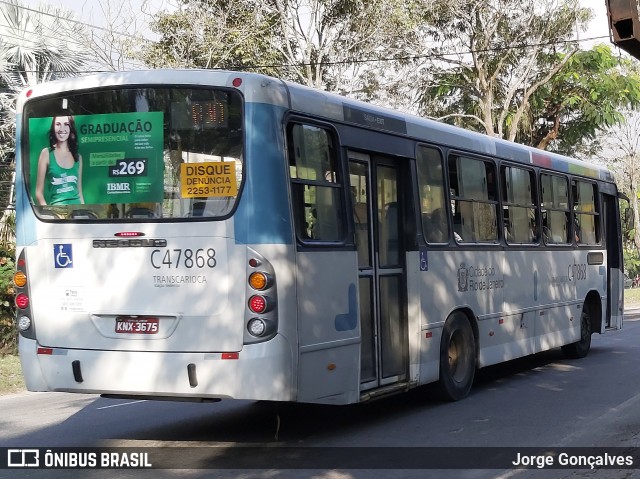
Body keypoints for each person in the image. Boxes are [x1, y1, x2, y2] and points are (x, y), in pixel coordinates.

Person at [35, 115, 84, 205]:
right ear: (53, 127)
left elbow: (79, 192)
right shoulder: (46, 153)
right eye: (58, 124)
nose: (62, 129)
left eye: (66, 124)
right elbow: (39, 193)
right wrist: (49, 214)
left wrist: (84, 214)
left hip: (77, 211)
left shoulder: (78, 157)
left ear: (71, 128)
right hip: (55, 213)